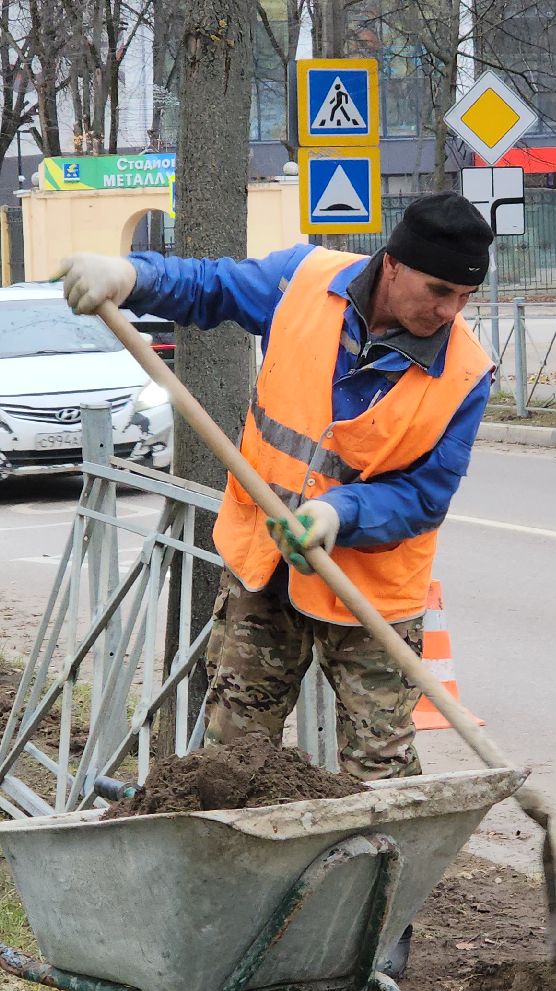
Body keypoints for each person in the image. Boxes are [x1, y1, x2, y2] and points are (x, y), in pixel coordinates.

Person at [56, 192, 496, 781]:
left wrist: (339, 514)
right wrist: (133, 276)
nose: (450, 311)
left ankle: (387, 869)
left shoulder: (465, 372)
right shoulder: (307, 281)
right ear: (391, 264)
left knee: (380, 768)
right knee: (232, 749)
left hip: (370, 591)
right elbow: (212, 287)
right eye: (438, 291)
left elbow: (425, 495)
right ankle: (238, 865)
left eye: (464, 297)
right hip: (264, 565)